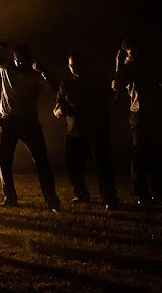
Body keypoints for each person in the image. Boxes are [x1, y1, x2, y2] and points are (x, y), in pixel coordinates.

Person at [0, 42, 61, 211]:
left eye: (22, 60)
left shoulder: (33, 74)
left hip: (27, 121)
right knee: (4, 160)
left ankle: (51, 200)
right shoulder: (7, 68)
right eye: (17, 59)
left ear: (28, 59)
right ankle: (11, 197)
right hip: (9, 120)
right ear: (14, 58)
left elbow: (54, 89)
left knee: (41, 161)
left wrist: (44, 72)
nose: (19, 63)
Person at [54, 53, 118, 210]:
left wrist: (115, 88)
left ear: (85, 64)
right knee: (71, 163)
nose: (73, 68)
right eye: (71, 65)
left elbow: (113, 97)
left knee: (103, 164)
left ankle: (109, 197)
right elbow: (56, 107)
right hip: (74, 131)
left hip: (97, 130)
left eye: (76, 64)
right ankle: (82, 193)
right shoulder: (66, 84)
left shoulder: (97, 82)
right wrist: (58, 111)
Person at [112, 38, 162, 205]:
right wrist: (119, 65)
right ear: (127, 54)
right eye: (131, 53)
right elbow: (119, 84)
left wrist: (119, 64)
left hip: (151, 113)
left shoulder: (142, 67)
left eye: (135, 52)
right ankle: (142, 192)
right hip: (140, 114)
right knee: (141, 154)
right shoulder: (131, 69)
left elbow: (118, 84)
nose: (135, 55)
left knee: (155, 152)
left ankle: (156, 191)